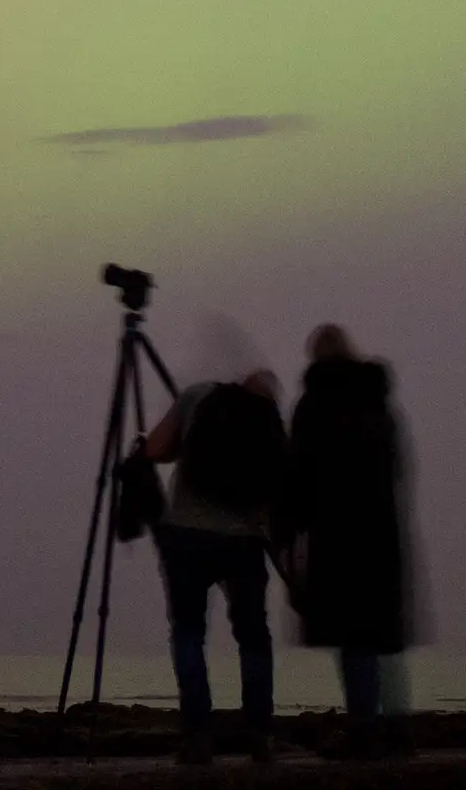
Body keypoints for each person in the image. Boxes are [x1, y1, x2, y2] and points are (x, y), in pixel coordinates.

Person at [276, 325, 418, 760]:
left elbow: (296, 474)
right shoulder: (381, 404)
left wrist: (286, 532)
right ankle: (396, 727)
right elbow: (399, 468)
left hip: (335, 535)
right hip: (380, 533)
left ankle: (362, 729)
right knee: (381, 636)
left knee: (350, 634)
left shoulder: (312, 406)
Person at [139, 364, 288, 763]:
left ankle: (197, 735)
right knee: (254, 636)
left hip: (187, 532)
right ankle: (259, 734)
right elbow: (280, 490)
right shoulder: (270, 423)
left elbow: (154, 450)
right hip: (245, 541)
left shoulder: (200, 396)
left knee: (188, 632)